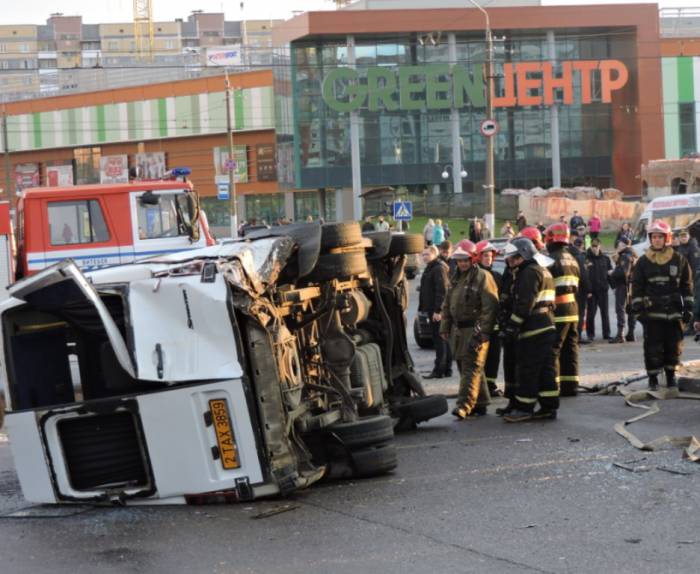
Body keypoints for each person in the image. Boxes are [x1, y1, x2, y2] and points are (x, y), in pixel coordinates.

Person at [501, 237, 559, 422]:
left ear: (524, 255)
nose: (511, 262)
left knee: (528, 369)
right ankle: (549, 406)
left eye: (515, 258)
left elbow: (525, 304)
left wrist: (512, 327)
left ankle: (524, 408)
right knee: (545, 370)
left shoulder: (529, 273)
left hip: (534, 329)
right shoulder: (542, 270)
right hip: (547, 326)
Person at [631, 220, 694, 390]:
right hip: (652, 314)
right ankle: (653, 378)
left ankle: (670, 376)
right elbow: (636, 288)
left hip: (673, 313)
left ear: (666, 238)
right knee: (652, 347)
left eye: (660, 237)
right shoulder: (643, 262)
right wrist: (638, 312)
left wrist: (688, 309)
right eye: (654, 237)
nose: (656, 240)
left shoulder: (679, 260)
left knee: (673, 346)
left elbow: (687, 286)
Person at [440, 240, 499, 419]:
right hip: (458, 331)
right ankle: (480, 403)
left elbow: (490, 306)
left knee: (470, 368)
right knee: (466, 366)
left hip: (474, 329)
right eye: (459, 260)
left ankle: (464, 405)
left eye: (465, 260)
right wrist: (445, 326)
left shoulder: (483, 276)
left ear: (473, 258)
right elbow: (447, 304)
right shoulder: (455, 277)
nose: (462, 263)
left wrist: (483, 332)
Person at [544, 222, 581, 397]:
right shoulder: (572, 258)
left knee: (554, 348)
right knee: (570, 348)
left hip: (558, 309)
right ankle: (571, 386)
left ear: (550, 239)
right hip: (573, 309)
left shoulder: (551, 259)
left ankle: (553, 385)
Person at [475, 240, 503, 398]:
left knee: (494, 356)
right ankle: (479, 387)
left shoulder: (497, 276)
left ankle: (490, 385)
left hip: (495, 324)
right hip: (480, 324)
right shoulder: (474, 276)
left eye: (491, 256)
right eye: (485, 255)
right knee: (479, 358)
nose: (489, 258)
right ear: (478, 257)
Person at [419, 246, 451, 379]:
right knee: (443, 340)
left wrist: (438, 311)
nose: (424, 257)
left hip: (437, 311)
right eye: (423, 254)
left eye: (427, 254)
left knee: (439, 341)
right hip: (432, 309)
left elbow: (442, 291)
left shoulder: (438, 268)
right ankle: (446, 370)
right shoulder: (431, 267)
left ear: (434, 254)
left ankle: (439, 370)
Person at [609, 238, 638, 343]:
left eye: (620, 244)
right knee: (631, 309)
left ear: (625, 245)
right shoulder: (633, 254)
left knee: (620, 309)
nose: (618, 246)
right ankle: (631, 333)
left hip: (623, 285)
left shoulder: (625, 255)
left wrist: (612, 273)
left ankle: (620, 334)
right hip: (632, 285)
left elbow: (622, 273)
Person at [584, 238, 612, 342]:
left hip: (603, 290)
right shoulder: (586, 259)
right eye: (593, 246)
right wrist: (587, 291)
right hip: (592, 292)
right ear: (591, 246)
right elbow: (585, 277)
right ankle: (590, 334)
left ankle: (606, 334)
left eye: (597, 246)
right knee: (591, 314)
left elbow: (609, 274)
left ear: (600, 246)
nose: (595, 248)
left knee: (605, 313)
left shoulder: (605, 259)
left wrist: (613, 287)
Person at [570, 236, 591, 344]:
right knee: (580, 313)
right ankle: (578, 336)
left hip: (570, 288)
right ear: (582, 246)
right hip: (580, 289)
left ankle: (572, 335)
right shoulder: (580, 257)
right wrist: (589, 289)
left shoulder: (568, 255)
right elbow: (584, 275)